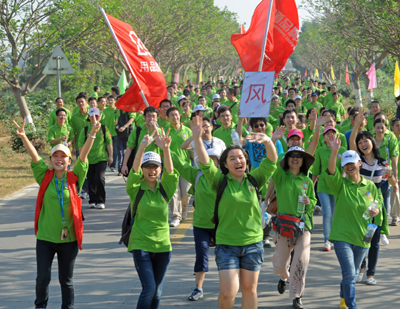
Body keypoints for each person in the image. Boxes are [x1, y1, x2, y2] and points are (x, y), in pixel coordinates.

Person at [12, 114, 101, 309]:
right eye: (56, 156)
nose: (59, 159)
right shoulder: (44, 176)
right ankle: (40, 306)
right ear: (51, 159)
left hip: (68, 241)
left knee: (66, 281)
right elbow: (35, 157)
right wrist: (24, 137)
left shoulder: (74, 177)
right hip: (45, 238)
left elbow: (84, 156)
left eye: (63, 156)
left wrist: (92, 134)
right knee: (42, 278)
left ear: (69, 160)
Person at [192, 115, 278, 309]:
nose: (238, 161)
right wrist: (197, 139)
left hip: (253, 243)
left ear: (245, 161)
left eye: (240, 157)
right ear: (224, 164)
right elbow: (206, 164)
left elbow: (272, 161)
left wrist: (267, 140)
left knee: (250, 290)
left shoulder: (254, 179)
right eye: (232, 159)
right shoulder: (219, 181)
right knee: (229, 291)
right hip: (227, 244)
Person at [165, 130, 225, 301]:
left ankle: (227, 286)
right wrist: (166, 149)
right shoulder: (196, 175)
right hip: (200, 225)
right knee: (201, 255)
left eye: (214, 159)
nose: (210, 162)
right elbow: (178, 163)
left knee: (223, 257)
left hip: (222, 225)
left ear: (219, 162)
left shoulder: (224, 178)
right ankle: (198, 288)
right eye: (207, 159)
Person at [326, 136, 383, 309]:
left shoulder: (369, 186)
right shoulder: (340, 185)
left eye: (353, 162)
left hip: (363, 238)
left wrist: (377, 210)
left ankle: (343, 298)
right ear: (343, 166)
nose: (350, 166)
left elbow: (378, 201)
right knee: (350, 273)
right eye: (346, 164)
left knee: (350, 274)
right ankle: (352, 306)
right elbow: (330, 172)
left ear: (359, 163)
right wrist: (334, 151)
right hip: (342, 236)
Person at [127, 131, 179, 309]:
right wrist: (142, 147)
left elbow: (171, 173)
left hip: (164, 247)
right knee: (149, 288)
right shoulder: (135, 189)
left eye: (156, 166)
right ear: (142, 169)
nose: (152, 170)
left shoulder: (165, 189)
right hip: (141, 245)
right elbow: (133, 169)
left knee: (157, 292)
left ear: (160, 169)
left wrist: (166, 149)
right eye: (148, 166)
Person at [349, 111, 397, 286]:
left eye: (366, 140)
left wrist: (391, 176)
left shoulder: (383, 162)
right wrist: (357, 125)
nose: (362, 144)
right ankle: (360, 268)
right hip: (358, 207)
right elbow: (351, 144)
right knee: (360, 239)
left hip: (375, 207)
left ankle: (371, 273)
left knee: (374, 240)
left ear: (372, 142)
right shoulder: (357, 161)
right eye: (360, 142)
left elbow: (391, 182)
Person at [271, 146, 316, 309]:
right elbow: (272, 163)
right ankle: (284, 278)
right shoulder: (280, 176)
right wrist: (272, 140)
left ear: (303, 161)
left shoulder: (308, 181)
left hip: (303, 227)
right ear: (287, 159)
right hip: (284, 226)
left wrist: (309, 203)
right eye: (292, 155)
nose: (295, 158)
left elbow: (313, 202)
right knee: (281, 265)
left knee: (300, 262)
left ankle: (297, 296)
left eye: (299, 156)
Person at [312, 126, 347, 251]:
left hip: (336, 186)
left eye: (333, 133)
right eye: (328, 134)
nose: (330, 136)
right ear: (324, 138)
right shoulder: (320, 151)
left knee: (334, 213)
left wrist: (342, 180)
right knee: (327, 213)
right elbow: (316, 170)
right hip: (323, 186)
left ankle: (334, 236)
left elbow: (345, 169)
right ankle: (327, 240)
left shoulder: (342, 150)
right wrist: (311, 186)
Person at [77, 108, 113, 209]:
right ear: (88, 117)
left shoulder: (104, 128)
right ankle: (92, 200)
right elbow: (81, 145)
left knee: (99, 178)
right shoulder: (85, 130)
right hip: (88, 159)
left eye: (96, 116)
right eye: (92, 116)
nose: (94, 118)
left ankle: (101, 200)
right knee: (91, 179)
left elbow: (109, 142)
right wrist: (82, 159)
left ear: (99, 116)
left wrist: (110, 156)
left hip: (101, 158)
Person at [166, 107, 193, 227]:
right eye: (172, 115)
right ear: (168, 117)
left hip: (186, 166)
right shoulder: (166, 132)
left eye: (176, 115)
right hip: (171, 167)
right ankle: (176, 216)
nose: (174, 117)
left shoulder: (187, 131)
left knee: (186, 194)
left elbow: (192, 150)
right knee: (174, 193)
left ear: (180, 116)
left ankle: (183, 210)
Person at [121, 106, 162, 176]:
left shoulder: (160, 131)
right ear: (144, 117)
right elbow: (129, 147)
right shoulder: (137, 130)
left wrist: (155, 129)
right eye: (148, 116)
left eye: (153, 116)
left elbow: (161, 145)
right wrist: (124, 164)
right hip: (140, 164)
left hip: (155, 165)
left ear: (157, 118)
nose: (151, 119)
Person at [102, 96, 118, 172]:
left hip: (115, 133)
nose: (111, 101)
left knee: (115, 150)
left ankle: (113, 165)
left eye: (112, 100)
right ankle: (108, 163)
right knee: (107, 150)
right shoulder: (104, 111)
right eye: (109, 100)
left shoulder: (117, 110)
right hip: (107, 133)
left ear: (115, 101)